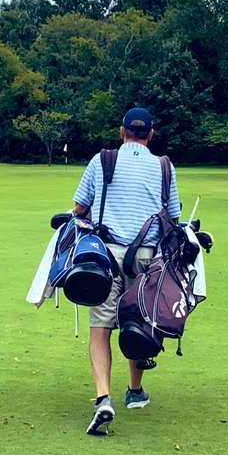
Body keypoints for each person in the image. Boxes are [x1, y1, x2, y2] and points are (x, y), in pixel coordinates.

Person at [71, 107, 180, 435]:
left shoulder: (101, 160)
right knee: (140, 322)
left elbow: (78, 208)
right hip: (148, 258)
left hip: (104, 255)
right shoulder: (164, 166)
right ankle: (134, 391)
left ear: (122, 133)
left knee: (100, 327)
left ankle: (103, 398)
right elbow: (172, 218)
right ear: (150, 134)